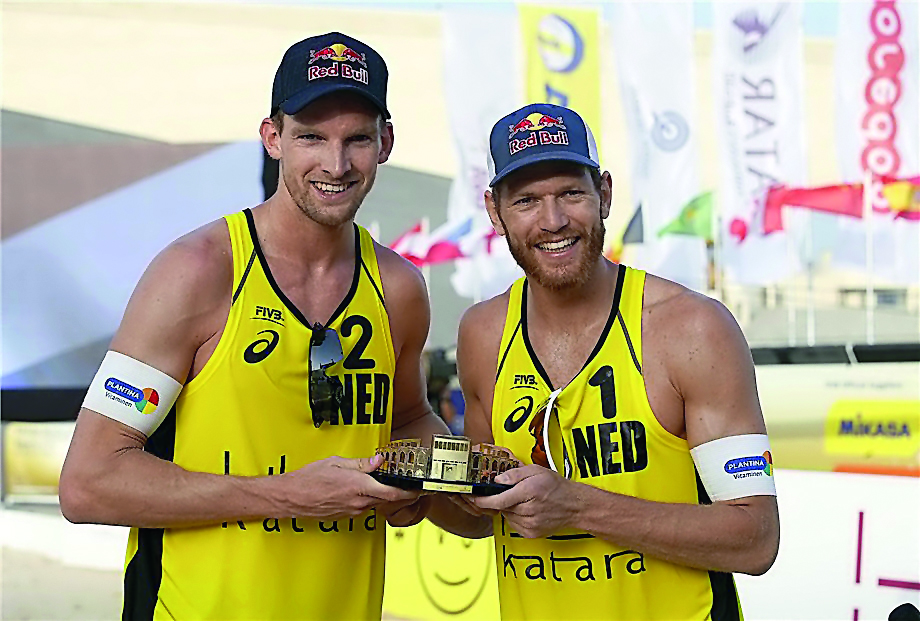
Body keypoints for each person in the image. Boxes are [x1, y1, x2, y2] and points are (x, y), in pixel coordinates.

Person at [58, 32, 449, 621]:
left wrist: (431, 474)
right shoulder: (197, 271)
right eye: (311, 136)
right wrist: (286, 496)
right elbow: (89, 482)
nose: (335, 164)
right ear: (273, 138)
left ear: (386, 143)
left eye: (357, 139)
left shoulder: (397, 287)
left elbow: (410, 417)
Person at [441, 103, 780, 620]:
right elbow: (490, 512)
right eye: (527, 200)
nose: (552, 221)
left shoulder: (691, 328)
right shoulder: (482, 333)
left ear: (604, 193)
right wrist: (414, 496)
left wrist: (578, 506)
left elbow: (755, 538)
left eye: (570, 193)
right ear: (494, 210)